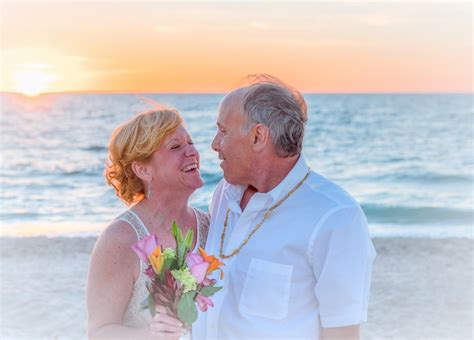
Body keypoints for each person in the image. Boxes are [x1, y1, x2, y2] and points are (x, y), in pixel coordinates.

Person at [192, 75, 376, 339]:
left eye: (223, 131)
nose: (214, 144)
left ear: (258, 136)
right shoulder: (224, 193)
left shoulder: (336, 217)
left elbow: (342, 332)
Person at [87, 106, 209, 339]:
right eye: (176, 146)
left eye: (191, 142)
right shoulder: (120, 239)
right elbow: (99, 332)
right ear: (143, 169)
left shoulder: (210, 226)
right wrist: (150, 335)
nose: (192, 152)